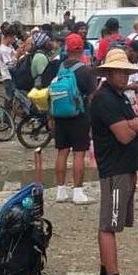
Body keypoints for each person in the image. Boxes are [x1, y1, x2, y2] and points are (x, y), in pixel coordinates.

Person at [89, 49, 138, 275]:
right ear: (108, 73)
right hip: (115, 169)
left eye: (126, 71)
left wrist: (136, 127)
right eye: (119, 71)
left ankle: (107, 274)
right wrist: (135, 128)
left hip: (123, 167)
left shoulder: (118, 96)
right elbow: (125, 135)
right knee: (109, 225)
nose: (124, 76)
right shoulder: (105, 99)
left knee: (111, 223)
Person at [50, 33, 97, 204]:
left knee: (62, 152)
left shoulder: (60, 67)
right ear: (82, 49)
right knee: (79, 153)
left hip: (60, 115)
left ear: (67, 49)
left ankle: (60, 191)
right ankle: (78, 193)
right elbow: (92, 97)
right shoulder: (86, 70)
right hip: (79, 116)